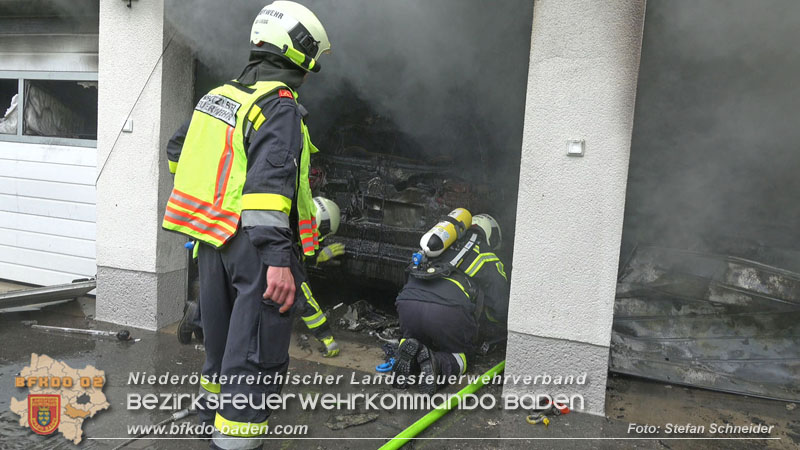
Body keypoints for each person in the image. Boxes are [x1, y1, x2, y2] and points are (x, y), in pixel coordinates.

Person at [161, 2, 330, 448]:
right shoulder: (279, 107)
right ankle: (237, 437)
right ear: (299, 55)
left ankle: (209, 418)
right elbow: (268, 191)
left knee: (221, 340)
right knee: (255, 347)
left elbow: (178, 150)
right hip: (255, 249)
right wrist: (277, 261)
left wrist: (211, 210)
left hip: (213, 241)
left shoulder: (218, 96)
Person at [175, 196, 344, 359]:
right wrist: (326, 336)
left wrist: (315, 257)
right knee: (238, 312)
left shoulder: (279, 216)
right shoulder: (284, 240)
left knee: (223, 296)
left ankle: (197, 316)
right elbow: (304, 297)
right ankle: (198, 317)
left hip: (217, 248)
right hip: (242, 263)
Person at [393, 213, 509, 394]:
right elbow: (499, 304)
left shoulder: (435, 249)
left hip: (408, 304)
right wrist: (491, 325)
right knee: (463, 356)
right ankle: (438, 364)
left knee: (413, 339)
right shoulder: (485, 254)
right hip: (447, 311)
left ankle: (408, 349)